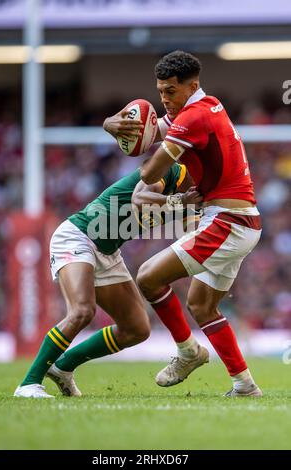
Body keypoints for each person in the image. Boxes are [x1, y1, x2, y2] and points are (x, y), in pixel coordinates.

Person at [105, 50, 263, 397]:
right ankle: (245, 386)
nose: (164, 99)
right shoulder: (204, 108)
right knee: (202, 306)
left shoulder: (194, 118)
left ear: (192, 85)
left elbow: (149, 171)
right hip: (238, 220)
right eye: (160, 91)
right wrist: (109, 124)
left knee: (147, 277)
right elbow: (149, 131)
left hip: (227, 221)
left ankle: (188, 352)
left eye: (170, 92)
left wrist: (134, 145)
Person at [14, 158, 202, 398]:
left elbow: (192, 236)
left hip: (108, 251)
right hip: (78, 236)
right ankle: (29, 384)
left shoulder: (195, 197)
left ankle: (62, 366)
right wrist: (179, 201)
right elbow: (141, 199)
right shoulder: (170, 169)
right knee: (82, 311)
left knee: (137, 329)